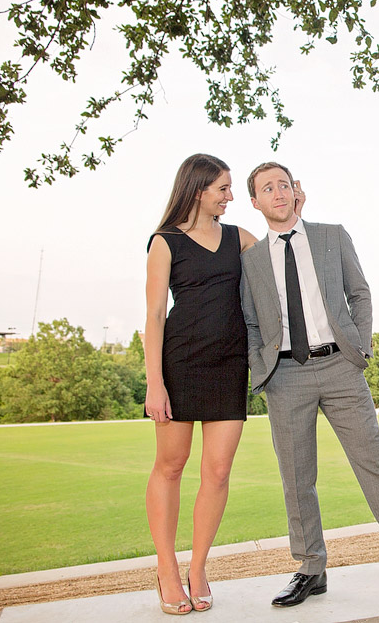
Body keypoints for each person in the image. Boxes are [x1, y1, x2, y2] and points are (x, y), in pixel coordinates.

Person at [240, 161, 379, 608]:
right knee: (297, 478)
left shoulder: (331, 235)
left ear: (295, 192)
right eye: (267, 188)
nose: (277, 193)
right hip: (285, 376)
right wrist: (260, 365)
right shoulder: (251, 260)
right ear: (256, 202)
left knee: (373, 459)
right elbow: (248, 320)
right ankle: (309, 569)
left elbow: (360, 292)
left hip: (340, 366)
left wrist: (359, 348)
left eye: (284, 184)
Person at [144, 154, 286, 615]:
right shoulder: (165, 243)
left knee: (218, 471)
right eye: (223, 189)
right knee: (171, 465)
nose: (229, 197)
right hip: (179, 363)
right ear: (198, 189)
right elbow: (152, 318)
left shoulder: (239, 239)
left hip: (229, 364)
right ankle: (167, 568)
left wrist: (290, 208)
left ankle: (199, 566)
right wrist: (154, 384)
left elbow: (279, 267)